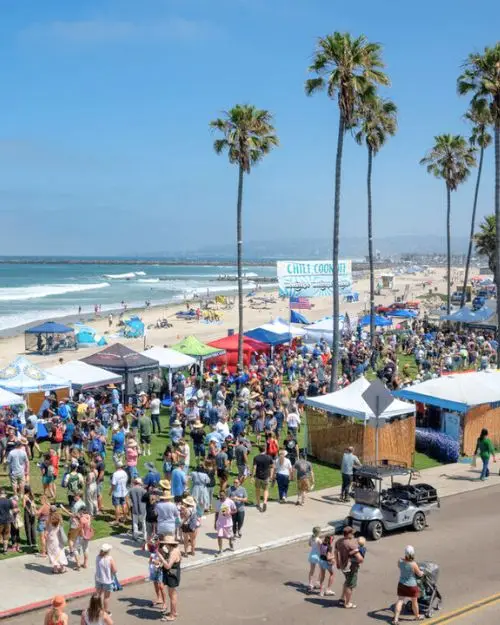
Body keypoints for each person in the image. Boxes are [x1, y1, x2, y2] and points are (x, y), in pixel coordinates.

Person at [392, 545, 424, 624]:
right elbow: (419, 574)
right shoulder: (413, 564)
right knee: (414, 601)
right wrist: (422, 573)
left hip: (402, 584)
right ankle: (417, 616)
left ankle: (396, 619)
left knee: (400, 600)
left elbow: (399, 565)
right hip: (412, 586)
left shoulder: (400, 561)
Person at [335, 525, 363, 610]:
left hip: (343, 566)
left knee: (347, 581)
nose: (354, 535)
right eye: (352, 533)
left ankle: (342, 598)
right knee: (350, 585)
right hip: (351, 567)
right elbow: (360, 559)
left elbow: (336, 552)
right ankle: (347, 603)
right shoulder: (351, 544)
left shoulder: (339, 541)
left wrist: (337, 563)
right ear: (349, 534)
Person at [157, 535, 182, 622]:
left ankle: (172, 615)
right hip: (173, 574)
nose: (164, 545)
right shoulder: (174, 550)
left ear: (168, 544)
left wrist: (160, 557)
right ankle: (174, 612)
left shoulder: (173, 552)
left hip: (172, 575)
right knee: (173, 595)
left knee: (172, 596)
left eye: (165, 544)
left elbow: (167, 566)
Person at [95, 543, 117, 615]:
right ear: (108, 551)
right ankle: (105, 612)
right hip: (107, 581)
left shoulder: (97, 557)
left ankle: (97, 609)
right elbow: (114, 570)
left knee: (98, 595)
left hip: (98, 579)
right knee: (106, 597)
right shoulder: (110, 559)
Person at [252, 445, 274, 512]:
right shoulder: (269, 457)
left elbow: (254, 468)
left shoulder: (256, 458)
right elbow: (272, 467)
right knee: (266, 490)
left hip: (258, 477)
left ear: (259, 450)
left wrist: (252, 476)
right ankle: (264, 502)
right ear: (265, 450)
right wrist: (271, 476)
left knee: (257, 490)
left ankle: (258, 503)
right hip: (266, 477)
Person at [214, 490, 236, 556]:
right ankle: (220, 550)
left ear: (225, 495)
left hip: (228, 523)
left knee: (229, 536)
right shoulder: (217, 502)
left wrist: (229, 513)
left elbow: (235, 510)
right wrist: (215, 522)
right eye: (220, 495)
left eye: (222, 495)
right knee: (219, 536)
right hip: (220, 523)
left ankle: (230, 542)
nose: (221, 497)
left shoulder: (230, 501)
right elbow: (217, 513)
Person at [129, 477, 147, 541]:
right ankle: (145, 536)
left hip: (134, 508)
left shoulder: (131, 490)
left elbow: (130, 499)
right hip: (143, 509)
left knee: (135, 523)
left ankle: (135, 536)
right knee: (143, 522)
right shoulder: (143, 490)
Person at [306, 526, 322, 592]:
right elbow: (321, 549)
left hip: (312, 555)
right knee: (321, 570)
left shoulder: (311, 538)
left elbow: (309, 544)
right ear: (318, 532)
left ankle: (310, 584)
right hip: (318, 556)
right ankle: (318, 583)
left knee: (311, 571)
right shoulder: (319, 540)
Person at [0, 488, 15, 553]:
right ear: (5, 494)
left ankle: (1, 542)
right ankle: (5, 550)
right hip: (7, 521)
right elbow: (12, 508)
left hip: (0, 521)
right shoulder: (9, 501)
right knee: (6, 535)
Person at [23, 484, 37, 549]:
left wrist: (28, 510)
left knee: (27, 527)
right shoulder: (32, 495)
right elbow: (33, 504)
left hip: (27, 513)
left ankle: (29, 542)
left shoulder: (25, 496)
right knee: (33, 526)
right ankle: (34, 542)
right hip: (33, 512)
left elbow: (24, 505)